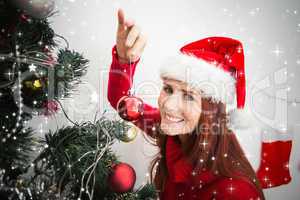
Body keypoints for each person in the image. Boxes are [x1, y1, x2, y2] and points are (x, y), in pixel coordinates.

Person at [107, 9, 265, 200]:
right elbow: (123, 103)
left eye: (189, 96)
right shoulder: (174, 131)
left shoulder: (235, 191)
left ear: (212, 110)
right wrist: (124, 60)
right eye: (168, 89)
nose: (169, 106)